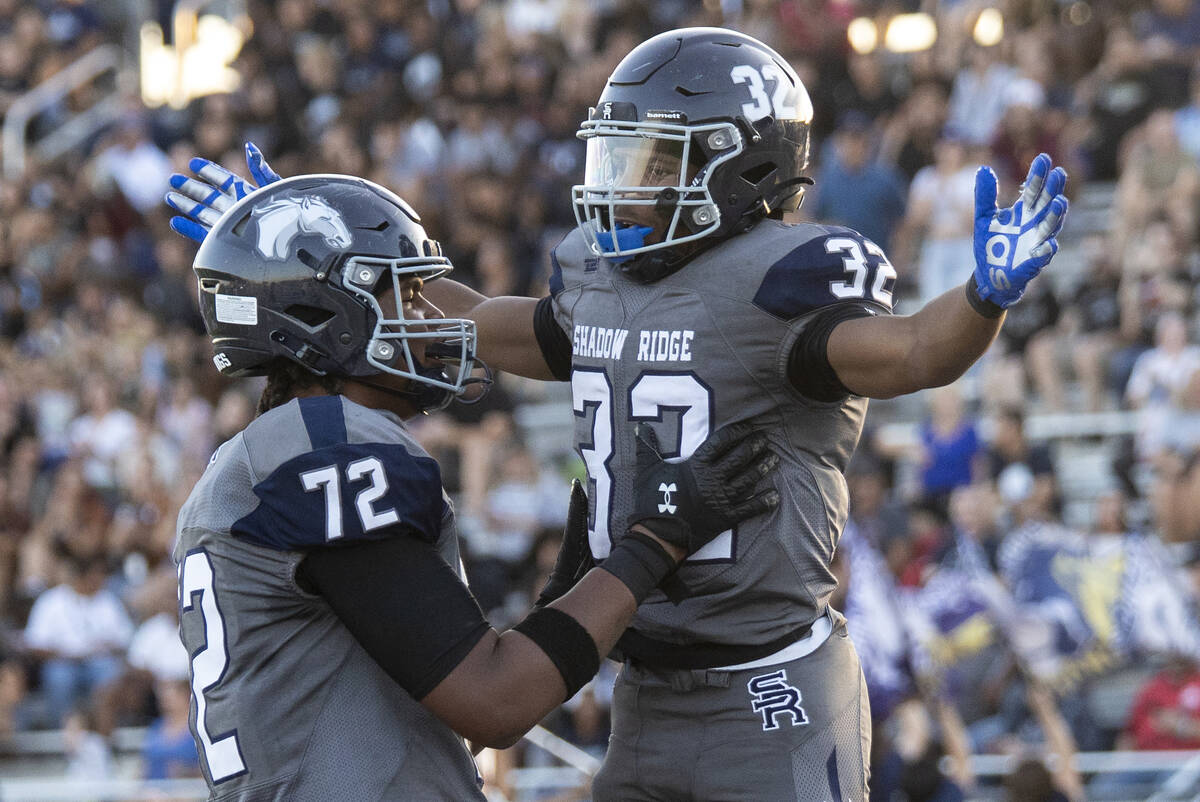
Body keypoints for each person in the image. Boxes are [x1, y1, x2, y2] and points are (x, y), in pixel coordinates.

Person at [166, 27, 1068, 801]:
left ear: (740, 166)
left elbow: (912, 352)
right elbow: (471, 319)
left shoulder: (782, 281)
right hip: (644, 672)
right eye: (620, 155)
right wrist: (293, 239)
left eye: (655, 160)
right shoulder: (602, 282)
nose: (624, 185)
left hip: (768, 679)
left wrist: (981, 301)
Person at [170, 173, 779, 800]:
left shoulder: (261, 461)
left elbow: (442, 717)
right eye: (407, 295)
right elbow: (495, 703)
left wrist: (561, 604)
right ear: (325, 316)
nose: (433, 318)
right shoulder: (327, 450)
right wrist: (659, 538)